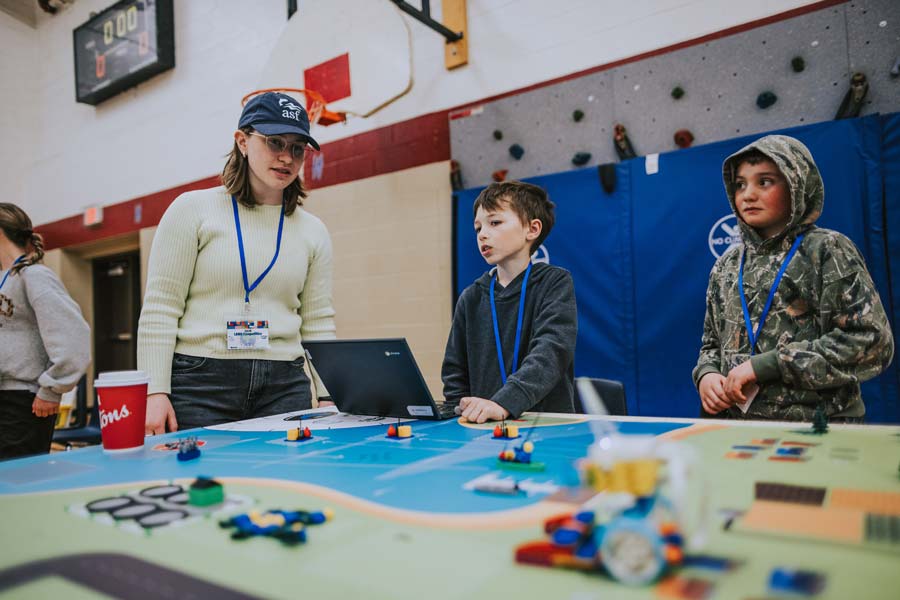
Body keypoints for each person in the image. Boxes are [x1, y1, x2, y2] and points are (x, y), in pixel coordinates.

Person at [138, 92, 336, 434]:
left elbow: (316, 322)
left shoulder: (313, 231)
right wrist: (155, 390)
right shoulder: (191, 209)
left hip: (284, 384)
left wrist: (329, 393)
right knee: (201, 484)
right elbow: (161, 307)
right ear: (242, 141)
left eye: (297, 148)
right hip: (200, 383)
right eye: (274, 142)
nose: (286, 157)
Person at [693, 135, 894, 421]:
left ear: (796, 184)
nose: (748, 194)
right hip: (736, 429)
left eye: (764, 182)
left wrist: (767, 365)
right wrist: (707, 374)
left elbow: (871, 341)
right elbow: (711, 344)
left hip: (818, 429)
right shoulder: (726, 265)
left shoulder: (826, 250)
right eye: (740, 184)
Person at [442, 181, 577, 423]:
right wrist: (459, 414)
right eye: (478, 227)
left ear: (532, 229)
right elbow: (455, 374)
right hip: (484, 431)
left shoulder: (554, 283)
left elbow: (551, 351)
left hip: (546, 428)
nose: (482, 234)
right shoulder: (471, 297)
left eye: (495, 223)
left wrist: (504, 403)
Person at [0, 203, 90, 460]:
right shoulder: (6, 278)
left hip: (24, 401)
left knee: (16, 485)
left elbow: (74, 337)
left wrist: (52, 389)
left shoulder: (35, 276)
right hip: (5, 395)